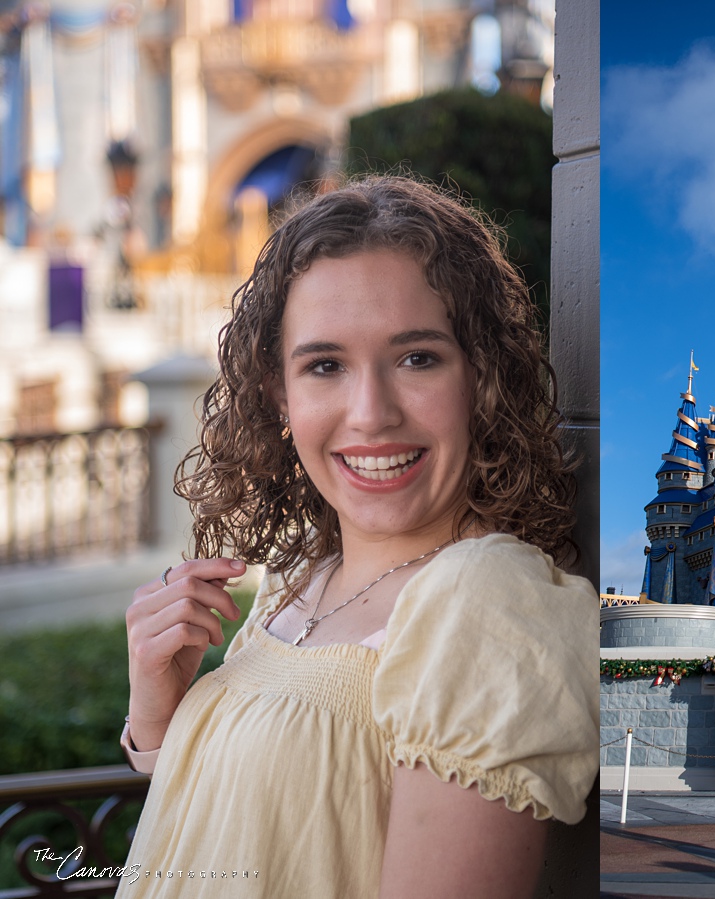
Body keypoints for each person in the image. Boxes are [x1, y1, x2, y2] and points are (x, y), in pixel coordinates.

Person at [119, 177, 599, 898]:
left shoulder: (487, 604)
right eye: (325, 365)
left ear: (481, 376)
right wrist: (160, 716)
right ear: (279, 393)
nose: (370, 413)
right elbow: (250, 833)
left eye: (417, 358)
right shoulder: (300, 579)